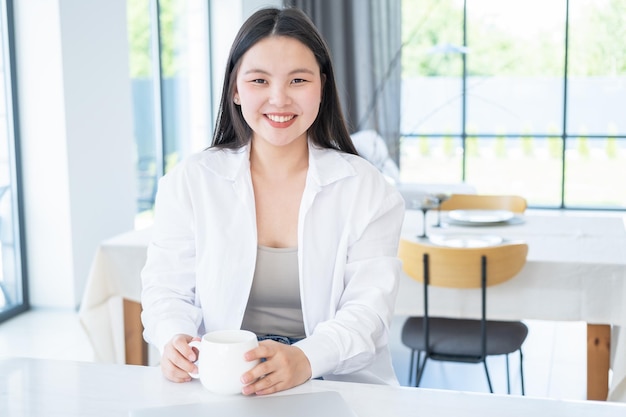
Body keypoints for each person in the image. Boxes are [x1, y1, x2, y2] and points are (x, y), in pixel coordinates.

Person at [140, 6, 405, 396]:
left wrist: (306, 359)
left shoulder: (367, 188)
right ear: (235, 88)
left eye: (298, 79)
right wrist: (173, 336)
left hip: (336, 385)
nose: (278, 99)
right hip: (222, 384)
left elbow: (368, 310)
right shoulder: (191, 181)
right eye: (259, 80)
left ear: (322, 87)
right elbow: (166, 289)